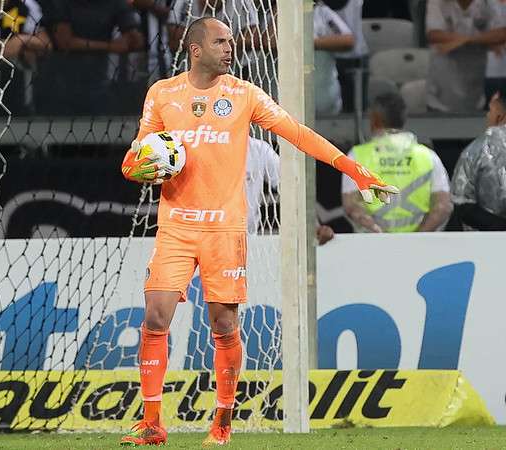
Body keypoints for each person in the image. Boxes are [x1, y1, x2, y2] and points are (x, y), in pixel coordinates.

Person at [119, 17, 397, 446]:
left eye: (232, 41)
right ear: (195, 49)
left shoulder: (244, 95)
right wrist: (135, 167)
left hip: (225, 230)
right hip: (175, 225)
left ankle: (223, 421)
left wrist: (355, 170)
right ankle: (152, 423)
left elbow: (299, 134)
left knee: (224, 323)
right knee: (155, 317)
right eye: (221, 42)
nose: (231, 48)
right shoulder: (162, 94)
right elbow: (138, 154)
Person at [342, 92, 453, 232]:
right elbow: (443, 206)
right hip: (419, 249)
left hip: (372, 247)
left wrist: (378, 232)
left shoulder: (357, 155)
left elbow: (352, 206)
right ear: (404, 120)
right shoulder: (428, 156)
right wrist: (419, 236)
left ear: (374, 119)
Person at [425, 0, 506, 113]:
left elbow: (502, 33)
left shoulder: (489, 3)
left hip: (475, 88)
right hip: (441, 90)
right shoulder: (437, 2)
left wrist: (464, 41)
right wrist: (483, 39)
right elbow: (434, 35)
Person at [450, 91, 506, 230]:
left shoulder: (476, 150)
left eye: (490, 110)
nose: (487, 115)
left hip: (486, 244)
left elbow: (460, 203)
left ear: (499, 116)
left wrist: (499, 228)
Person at [313, 1, 354, 115]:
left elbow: (348, 40)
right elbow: (266, 42)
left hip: (325, 94)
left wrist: (310, 43)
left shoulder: (321, 12)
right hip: (287, 98)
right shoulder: (275, 12)